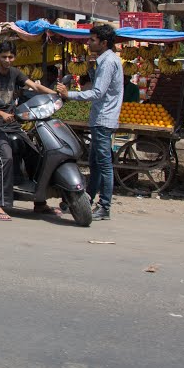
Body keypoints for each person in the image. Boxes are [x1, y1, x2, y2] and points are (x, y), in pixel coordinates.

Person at [0, 40, 60, 221]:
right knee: (5, 157)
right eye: (4, 56)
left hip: (12, 124)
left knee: (35, 154)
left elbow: (35, 86)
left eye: (11, 57)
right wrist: (1, 114)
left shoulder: (15, 73)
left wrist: (55, 95)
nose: (7, 60)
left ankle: (40, 202)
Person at [56, 24, 123, 221]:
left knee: (104, 165)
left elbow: (98, 92)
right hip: (101, 117)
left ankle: (105, 206)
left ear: (103, 43)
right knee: (95, 163)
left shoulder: (109, 61)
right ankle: (88, 199)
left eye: (92, 40)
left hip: (104, 118)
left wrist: (70, 94)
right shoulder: (104, 61)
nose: (88, 43)